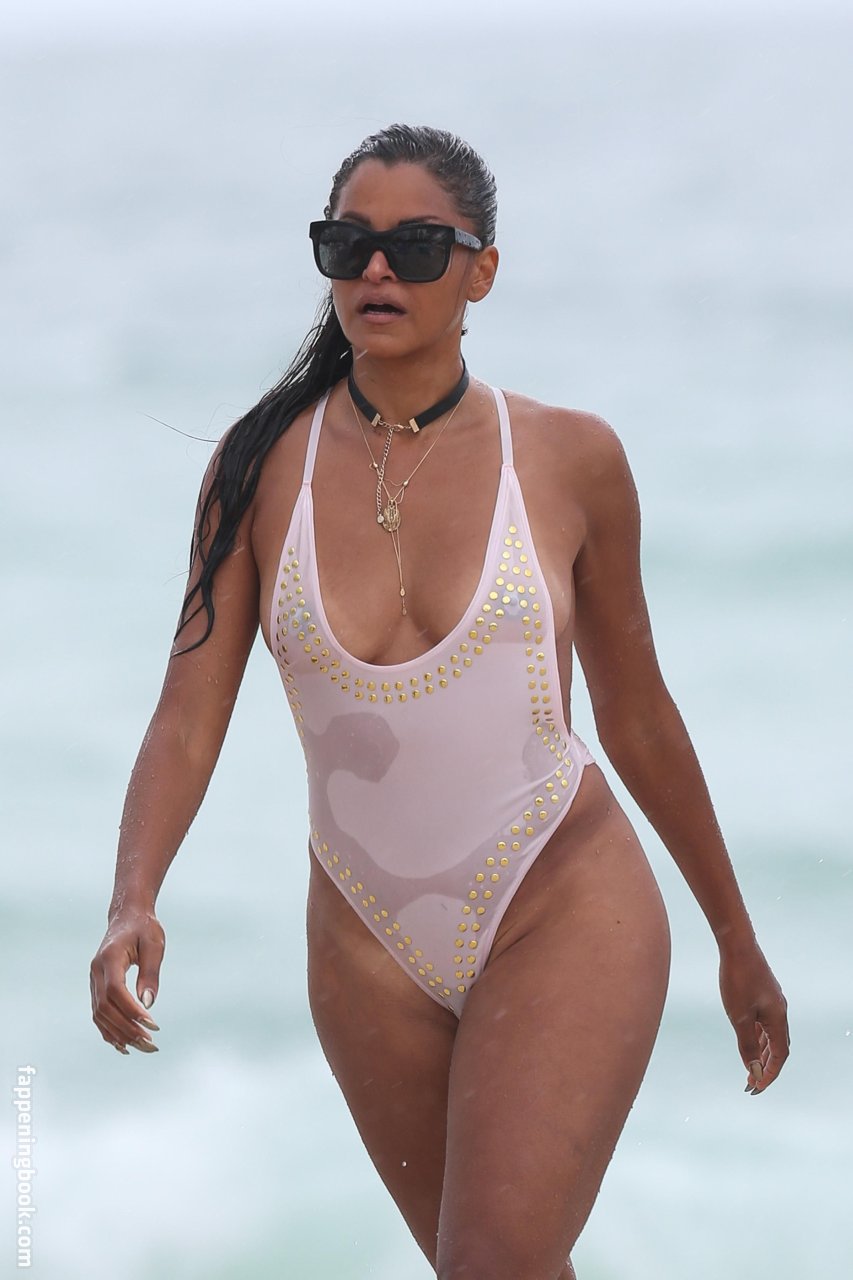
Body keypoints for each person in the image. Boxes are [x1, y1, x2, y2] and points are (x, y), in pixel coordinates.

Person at [89, 124, 789, 1279]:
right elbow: (187, 713)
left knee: (493, 1261)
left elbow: (639, 714)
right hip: (362, 939)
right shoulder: (258, 468)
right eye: (347, 244)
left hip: (561, 896)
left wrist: (734, 934)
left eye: (415, 246)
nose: (376, 269)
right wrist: (133, 896)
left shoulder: (568, 458)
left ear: (481, 270)